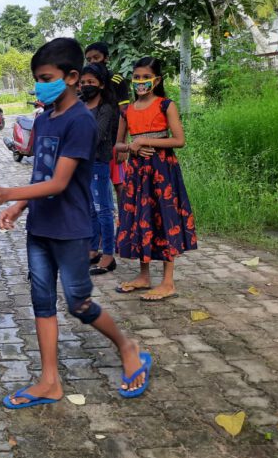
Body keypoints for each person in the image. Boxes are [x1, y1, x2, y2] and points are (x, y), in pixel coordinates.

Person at [0, 38, 151, 408]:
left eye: (46, 77)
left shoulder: (81, 122)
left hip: (71, 228)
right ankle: (49, 381)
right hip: (39, 228)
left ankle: (127, 345)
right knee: (42, 301)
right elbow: (41, 172)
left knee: (79, 303)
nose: (40, 85)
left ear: (73, 77)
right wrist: (20, 205)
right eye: (37, 79)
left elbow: (59, 182)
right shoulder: (43, 120)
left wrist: (8, 193)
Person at [115, 56, 197, 301]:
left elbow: (179, 140)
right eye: (137, 77)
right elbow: (118, 144)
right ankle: (143, 276)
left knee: (164, 217)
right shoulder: (126, 110)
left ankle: (168, 282)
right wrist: (131, 148)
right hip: (137, 172)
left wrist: (145, 141)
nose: (140, 82)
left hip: (162, 172)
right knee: (142, 218)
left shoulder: (166, 105)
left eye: (145, 77)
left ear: (157, 80)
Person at [80, 63, 119, 275]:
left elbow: (98, 134)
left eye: (91, 82)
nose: (86, 86)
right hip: (80, 164)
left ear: (101, 85)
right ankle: (93, 249)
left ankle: (109, 254)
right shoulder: (79, 105)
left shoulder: (106, 108)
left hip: (97, 162)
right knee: (89, 209)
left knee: (103, 209)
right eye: (83, 82)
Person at [85, 41, 130, 202]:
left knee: (120, 185)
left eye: (96, 57)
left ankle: (124, 221)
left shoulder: (116, 81)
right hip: (94, 145)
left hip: (114, 142)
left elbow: (125, 114)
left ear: (106, 58)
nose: (93, 62)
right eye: (89, 59)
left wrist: (122, 145)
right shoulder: (86, 84)